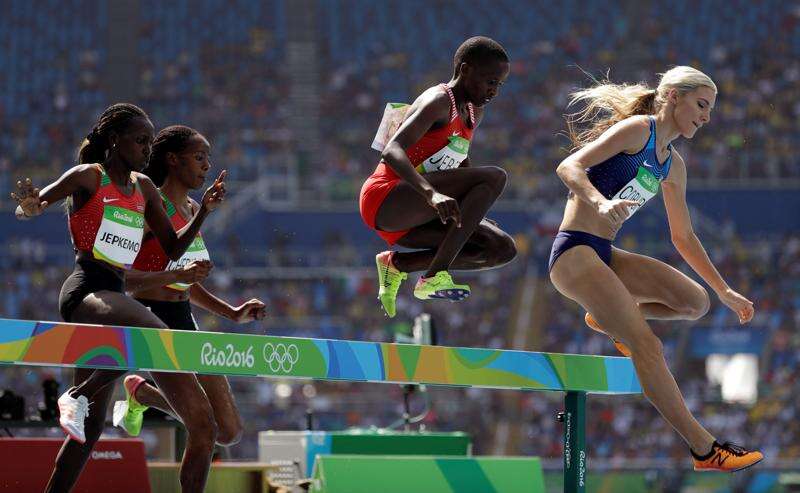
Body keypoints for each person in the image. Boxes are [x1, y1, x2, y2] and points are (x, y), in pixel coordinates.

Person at [549, 66, 763, 471]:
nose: (707, 117)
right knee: (648, 346)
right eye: (701, 105)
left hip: (605, 253)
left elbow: (683, 237)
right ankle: (705, 449)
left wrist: (724, 290)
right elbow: (568, 167)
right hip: (575, 252)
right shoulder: (637, 131)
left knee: (694, 301)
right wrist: (599, 202)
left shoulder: (672, 166)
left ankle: (608, 317)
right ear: (673, 98)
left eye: (711, 109)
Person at [11, 103, 228, 492]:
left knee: (88, 434)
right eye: (141, 140)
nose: (148, 149)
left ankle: (77, 413)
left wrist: (204, 212)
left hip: (115, 294)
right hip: (86, 293)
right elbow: (35, 204)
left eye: (150, 141)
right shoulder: (89, 177)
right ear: (114, 140)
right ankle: (76, 394)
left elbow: (173, 248)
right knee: (153, 333)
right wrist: (29, 206)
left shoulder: (144, 187)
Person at [112, 125, 266, 448]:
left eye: (208, 158)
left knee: (229, 431)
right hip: (153, 321)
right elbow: (119, 280)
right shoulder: (146, 208)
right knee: (205, 425)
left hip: (184, 318)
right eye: (199, 158)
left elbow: (187, 281)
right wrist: (174, 275)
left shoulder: (195, 209)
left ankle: (140, 392)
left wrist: (233, 313)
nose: (207, 166)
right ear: (172, 160)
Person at [359, 36, 517, 317]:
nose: (494, 91)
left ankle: (398, 265)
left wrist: (471, 211)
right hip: (387, 198)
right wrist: (431, 194)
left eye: (499, 84)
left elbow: (459, 160)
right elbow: (392, 150)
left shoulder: (474, 111)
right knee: (496, 177)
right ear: (465, 70)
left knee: (501, 248)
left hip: (416, 219)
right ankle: (434, 275)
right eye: (489, 81)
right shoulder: (439, 100)